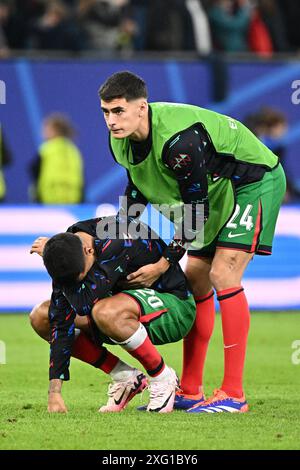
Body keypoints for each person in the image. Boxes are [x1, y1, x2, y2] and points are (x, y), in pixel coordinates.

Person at [98, 70, 286, 413]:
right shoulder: (120, 141)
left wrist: (163, 263)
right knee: (197, 279)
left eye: (119, 111)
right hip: (214, 191)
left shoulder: (178, 141)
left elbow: (195, 209)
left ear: (142, 108)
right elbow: (138, 188)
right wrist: (118, 236)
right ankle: (192, 389)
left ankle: (233, 393)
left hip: (253, 181)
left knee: (223, 275)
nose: (111, 121)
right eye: (106, 112)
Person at [30, 216, 196, 413]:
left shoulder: (116, 240)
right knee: (42, 317)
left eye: (81, 277)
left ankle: (162, 377)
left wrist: (52, 252)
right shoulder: (66, 252)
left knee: (105, 311)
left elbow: (83, 304)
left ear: (89, 250)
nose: (76, 284)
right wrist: (54, 392)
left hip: (174, 307)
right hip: (123, 312)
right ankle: (126, 378)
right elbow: (60, 321)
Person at [29, 113, 84, 204]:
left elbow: (34, 169)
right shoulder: (73, 150)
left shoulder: (47, 149)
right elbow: (81, 176)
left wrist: (36, 193)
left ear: (55, 130)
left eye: (47, 129)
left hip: (49, 200)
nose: (43, 132)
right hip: (73, 199)